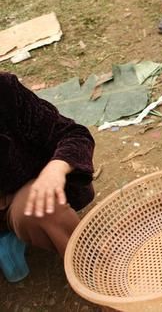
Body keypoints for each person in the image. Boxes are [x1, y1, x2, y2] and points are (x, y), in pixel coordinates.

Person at [0, 72, 95, 258]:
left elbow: (74, 135)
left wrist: (55, 169)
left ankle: (90, 267)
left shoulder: (5, 92)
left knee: (41, 206)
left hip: (25, 189)